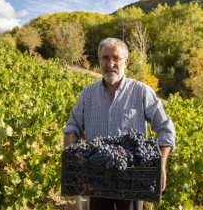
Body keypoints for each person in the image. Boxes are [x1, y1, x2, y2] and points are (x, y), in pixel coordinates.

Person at [63, 37, 176, 210]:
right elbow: (72, 127)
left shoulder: (141, 92)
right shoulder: (87, 95)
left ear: (126, 62)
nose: (110, 64)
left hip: (131, 178)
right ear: (99, 61)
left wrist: (160, 166)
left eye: (116, 58)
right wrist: (70, 162)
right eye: (105, 58)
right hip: (96, 177)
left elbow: (165, 129)